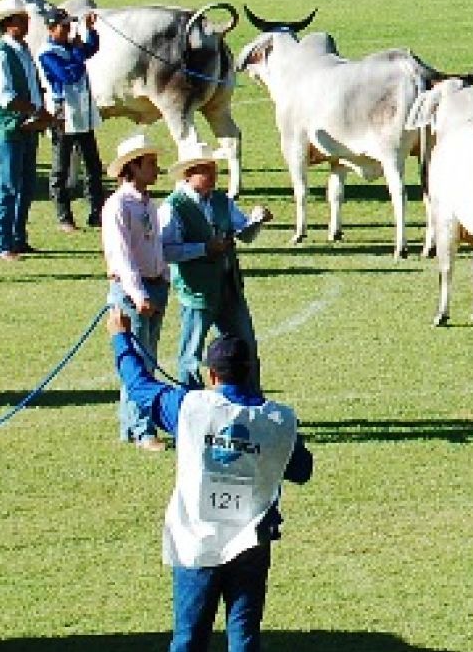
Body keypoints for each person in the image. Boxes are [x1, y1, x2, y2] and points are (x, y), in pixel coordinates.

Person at [105, 308, 312, 652]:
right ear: (251, 372)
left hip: (195, 542)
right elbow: (302, 471)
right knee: (244, 639)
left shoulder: (191, 408)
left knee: (188, 640)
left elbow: (140, 387)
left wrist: (120, 337)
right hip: (251, 543)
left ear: (212, 376)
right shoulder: (279, 420)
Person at [159, 143, 273, 393]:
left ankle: (252, 400)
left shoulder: (222, 200)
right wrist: (204, 249)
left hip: (228, 287)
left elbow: (244, 234)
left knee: (247, 347)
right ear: (188, 174)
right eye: (205, 169)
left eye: (213, 168)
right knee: (191, 355)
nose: (212, 174)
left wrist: (257, 221)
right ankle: (191, 407)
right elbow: (167, 250)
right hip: (197, 291)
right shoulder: (172, 207)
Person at [101, 133, 167, 451]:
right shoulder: (118, 206)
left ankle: (134, 425)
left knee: (145, 359)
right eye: (150, 163)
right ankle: (142, 429)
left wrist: (163, 277)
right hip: (134, 290)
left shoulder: (147, 204)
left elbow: (155, 245)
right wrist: (139, 294)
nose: (156, 169)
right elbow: (121, 255)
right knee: (137, 360)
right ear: (134, 167)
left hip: (154, 285)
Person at [0, 0, 54, 261]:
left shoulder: (22, 50)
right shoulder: (0, 56)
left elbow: (33, 88)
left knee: (25, 184)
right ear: (9, 23)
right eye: (22, 19)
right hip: (10, 127)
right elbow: (6, 97)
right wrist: (36, 110)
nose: (27, 23)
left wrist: (41, 110)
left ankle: (18, 237)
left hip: (27, 126)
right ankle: (2, 243)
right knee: (9, 185)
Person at [38, 8, 105, 232]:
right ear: (51, 28)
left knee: (93, 165)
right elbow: (69, 75)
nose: (68, 30)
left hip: (82, 113)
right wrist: (77, 50)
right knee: (61, 168)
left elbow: (92, 49)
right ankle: (64, 216)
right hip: (63, 115)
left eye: (69, 26)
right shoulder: (46, 52)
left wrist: (90, 30)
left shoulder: (69, 46)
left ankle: (96, 211)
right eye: (63, 27)